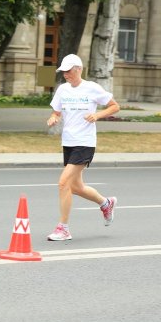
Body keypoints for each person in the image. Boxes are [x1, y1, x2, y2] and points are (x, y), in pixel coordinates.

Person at [45, 53, 120, 241]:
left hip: (85, 143)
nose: (65, 75)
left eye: (68, 71)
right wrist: (54, 118)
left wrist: (97, 115)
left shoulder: (91, 88)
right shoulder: (63, 90)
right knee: (76, 187)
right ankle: (105, 203)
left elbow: (114, 106)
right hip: (68, 142)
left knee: (63, 183)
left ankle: (63, 228)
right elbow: (56, 111)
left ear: (79, 69)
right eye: (63, 72)